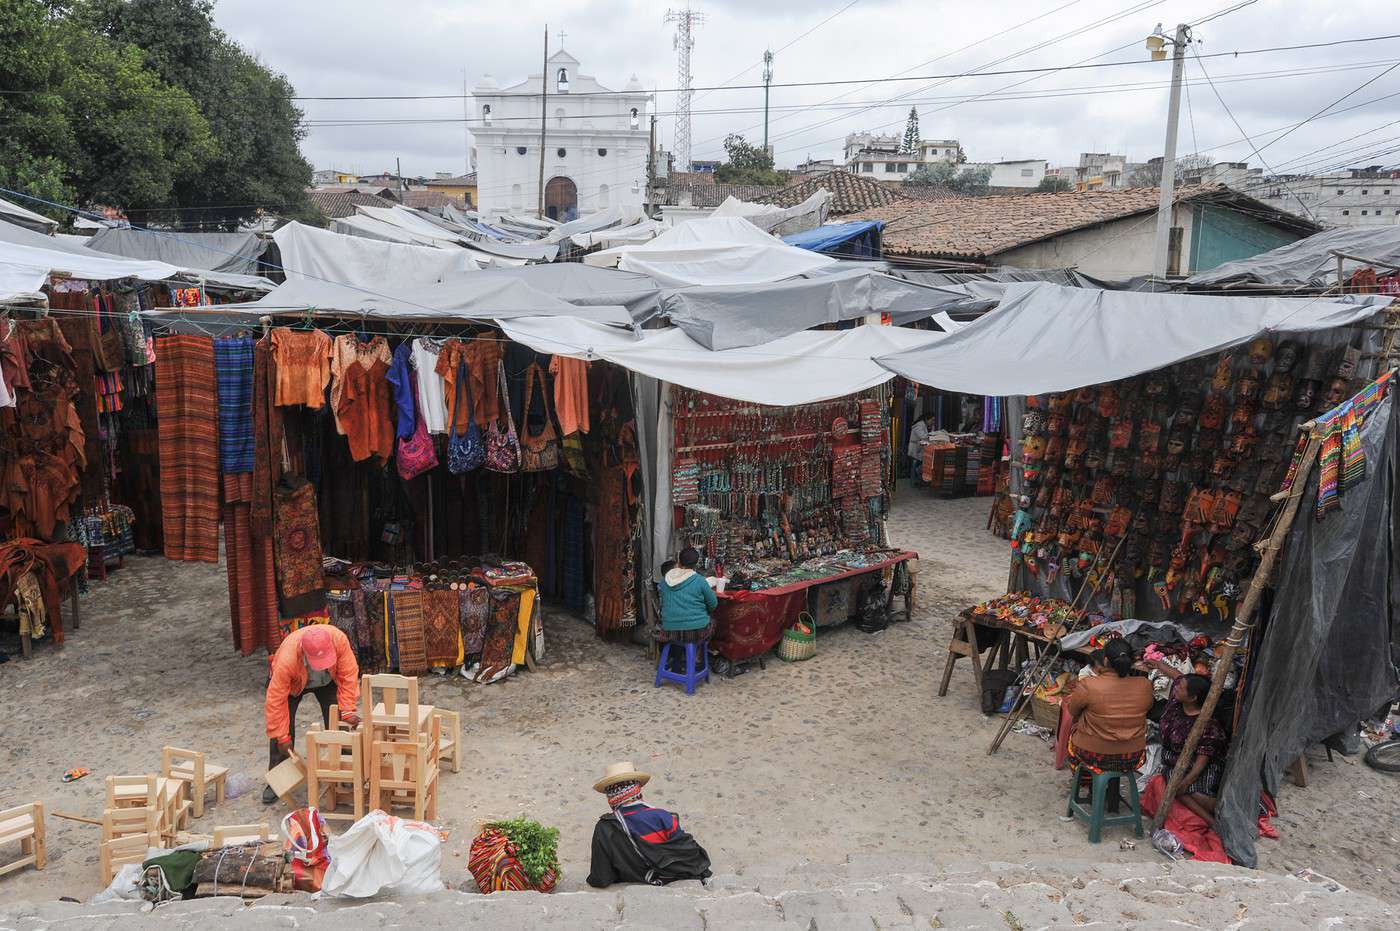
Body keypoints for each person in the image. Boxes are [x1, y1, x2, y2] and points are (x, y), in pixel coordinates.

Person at [262, 625, 360, 803]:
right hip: (293, 684)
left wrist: (347, 709)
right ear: (304, 653)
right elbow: (276, 701)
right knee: (282, 734)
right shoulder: (286, 660)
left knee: (338, 721)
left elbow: (349, 675)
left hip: (327, 680)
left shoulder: (339, 640)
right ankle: (276, 781)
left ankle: (346, 769)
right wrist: (282, 737)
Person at [586, 761, 712, 888]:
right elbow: (689, 855)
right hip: (669, 877)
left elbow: (601, 877)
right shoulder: (662, 817)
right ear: (637, 789)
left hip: (636, 878)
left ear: (610, 796)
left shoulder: (605, 827)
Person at [1146, 665, 1228, 826]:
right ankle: (1211, 820)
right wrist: (1157, 663)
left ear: (1193, 698)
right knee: (1173, 780)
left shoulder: (1207, 725)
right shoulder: (1176, 703)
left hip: (1198, 769)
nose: (1176, 688)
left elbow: (1201, 762)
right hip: (1173, 762)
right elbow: (1177, 676)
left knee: (1180, 787)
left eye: (1181, 688)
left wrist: (1186, 782)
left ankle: (1211, 818)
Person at [1064, 639, 1155, 776]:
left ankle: (1088, 785)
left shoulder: (1088, 684)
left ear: (1105, 661)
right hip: (1133, 757)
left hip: (1092, 755)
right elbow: (1147, 708)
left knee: (1073, 732)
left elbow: (1072, 710)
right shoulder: (1145, 684)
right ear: (1133, 661)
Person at [657, 547, 717, 644]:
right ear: (696, 564)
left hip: (668, 632)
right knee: (713, 622)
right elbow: (713, 604)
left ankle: (681, 654)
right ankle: (697, 655)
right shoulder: (700, 580)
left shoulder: (665, 580)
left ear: (679, 562)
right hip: (696, 632)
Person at [907, 412, 934, 484]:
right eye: (932, 420)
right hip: (915, 449)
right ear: (926, 419)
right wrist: (932, 435)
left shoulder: (923, 425)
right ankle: (913, 481)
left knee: (916, 464)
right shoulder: (919, 425)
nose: (932, 422)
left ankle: (917, 480)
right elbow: (923, 436)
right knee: (915, 464)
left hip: (918, 448)